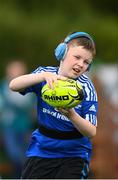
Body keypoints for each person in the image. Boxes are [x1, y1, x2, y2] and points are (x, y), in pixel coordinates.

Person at [9, 31, 98, 179]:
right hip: (42, 149)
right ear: (62, 52)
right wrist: (42, 76)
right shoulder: (45, 74)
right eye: (77, 57)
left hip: (74, 154)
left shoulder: (86, 88)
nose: (81, 64)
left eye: (86, 62)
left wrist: (72, 115)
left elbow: (91, 132)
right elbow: (13, 85)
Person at [0, 60, 35, 178]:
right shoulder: (3, 87)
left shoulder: (28, 87)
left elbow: (32, 107)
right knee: (14, 155)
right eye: (13, 69)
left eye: (18, 69)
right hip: (8, 128)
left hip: (25, 127)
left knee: (25, 156)